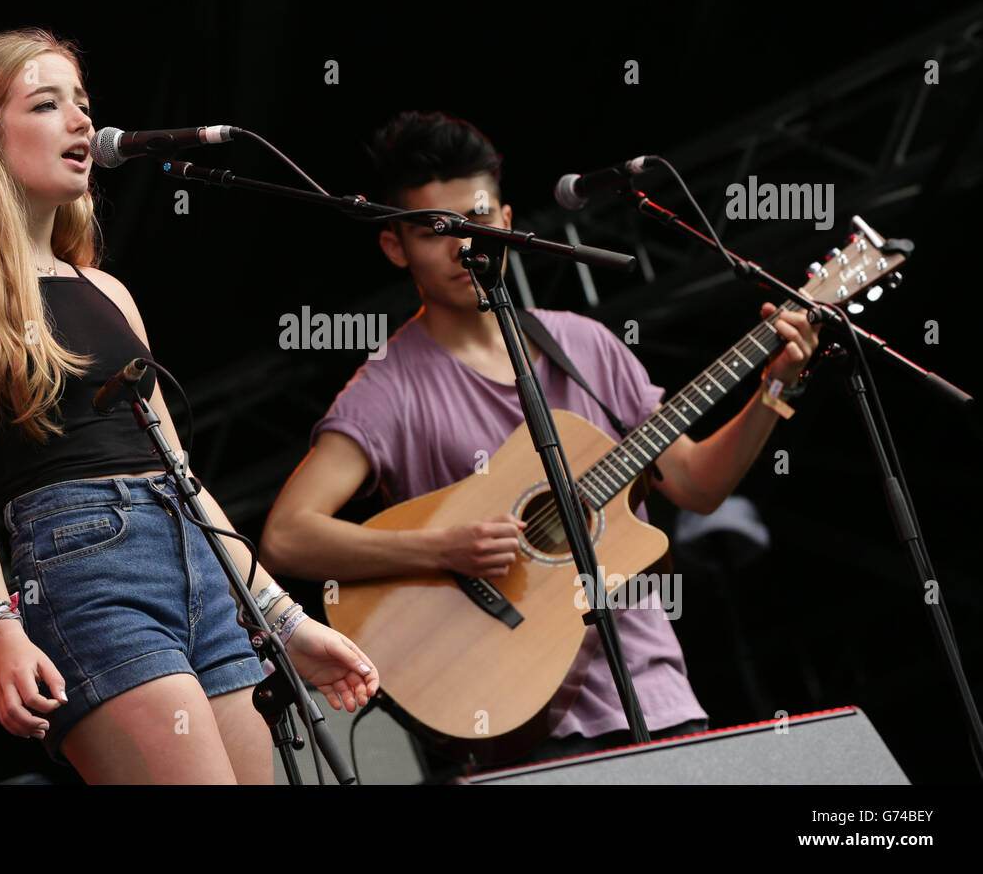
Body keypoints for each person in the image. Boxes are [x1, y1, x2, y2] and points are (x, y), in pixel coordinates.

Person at [0, 28, 377, 784]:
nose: (82, 121)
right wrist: (0, 631)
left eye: (82, 101)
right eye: (47, 105)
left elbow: (184, 476)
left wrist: (284, 617)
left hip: (198, 567)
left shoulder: (106, 291)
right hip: (83, 567)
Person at [259, 110, 820, 778]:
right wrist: (444, 545)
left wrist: (772, 392)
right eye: (437, 231)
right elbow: (288, 537)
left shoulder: (581, 344)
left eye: (478, 220)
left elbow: (697, 484)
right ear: (395, 246)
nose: (464, 246)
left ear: (505, 220)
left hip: (656, 695)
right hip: (508, 717)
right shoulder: (389, 387)